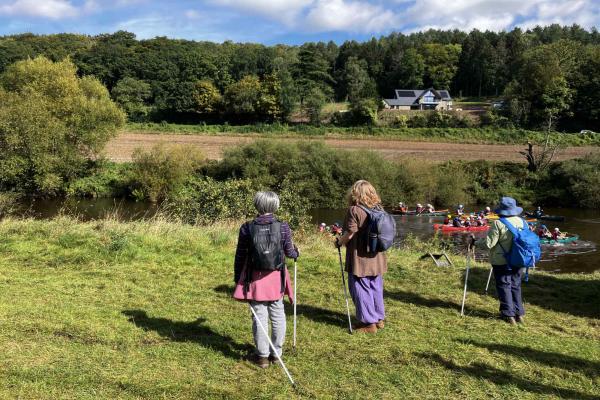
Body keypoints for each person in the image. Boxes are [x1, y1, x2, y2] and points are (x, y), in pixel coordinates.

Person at [233, 191, 299, 368]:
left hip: (254, 278)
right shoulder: (283, 226)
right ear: (275, 206)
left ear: (257, 205)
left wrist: (237, 278)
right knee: (277, 312)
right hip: (276, 276)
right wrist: (296, 252)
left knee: (259, 315)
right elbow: (290, 252)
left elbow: (240, 255)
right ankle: (276, 353)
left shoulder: (247, 227)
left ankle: (262, 356)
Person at [335, 180, 387, 334]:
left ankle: (368, 323)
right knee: (375, 286)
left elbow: (350, 233)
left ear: (355, 193)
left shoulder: (354, 210)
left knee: (360, 287)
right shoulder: (379, 209)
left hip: (361, 257)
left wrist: (339, 242)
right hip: (377, 255)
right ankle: (378, 319)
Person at [471, 197, 526, 325]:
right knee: (515, 285)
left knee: (504, 285)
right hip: (519, 259)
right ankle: (519, 314)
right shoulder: (523, 222)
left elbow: (489, 244)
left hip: (501, 260)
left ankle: (508, 315)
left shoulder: (498, 223)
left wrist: (475, 242)